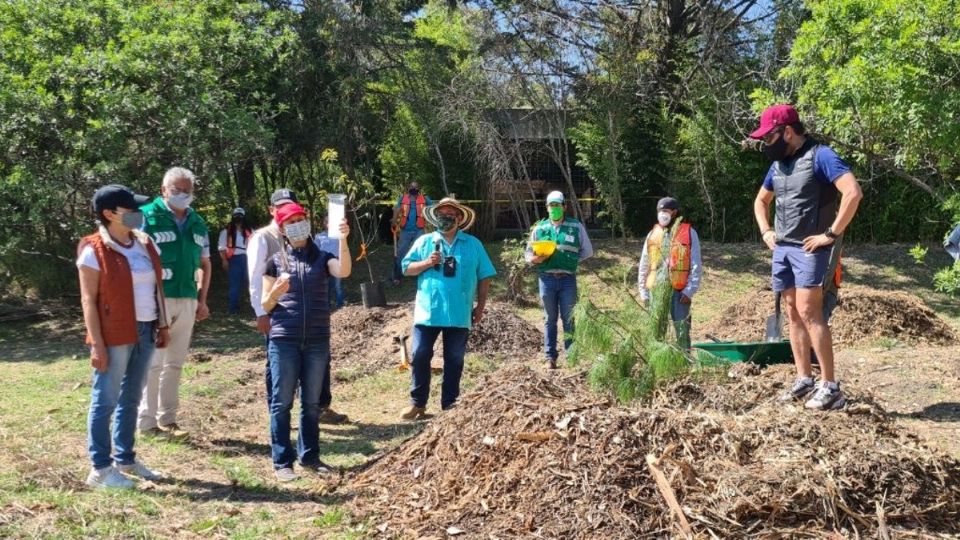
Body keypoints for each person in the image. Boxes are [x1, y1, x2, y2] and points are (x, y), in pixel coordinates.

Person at [750, 104, 863, 411]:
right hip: (783, 248)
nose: (766, 145)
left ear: (787, 131)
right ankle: (804, 380)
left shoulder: (821, 156)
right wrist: (766, 231)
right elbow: (761, 201)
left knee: (809, 311)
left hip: (811, 248)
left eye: (769, 137)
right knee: (791, 312)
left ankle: (831, 386)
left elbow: (852, 192)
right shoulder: (778, 165)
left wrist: (830, 233)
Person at [78, 184, 170, 488]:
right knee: (105, 398)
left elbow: (156, 287)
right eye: (130, 209)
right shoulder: (94, 249)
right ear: (109, 214)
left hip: (146, 328)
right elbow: (88, 300)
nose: (137, 213)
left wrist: (163, 324)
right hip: (114, 333)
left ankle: (126, 458)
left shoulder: (144, 242)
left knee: (131, 398)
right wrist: (97, 343)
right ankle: (100, 469)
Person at [260, 202, 352, 481]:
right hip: (283, 340)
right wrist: (275, 292)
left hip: (316, 340)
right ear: (283, 229)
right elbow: (266, 304)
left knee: (311, 403)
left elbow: (344, 272)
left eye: (301, 219)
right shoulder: (274, 261)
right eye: (291, 222)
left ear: (308, 223)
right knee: (282, 402)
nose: (297, 225)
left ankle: (310, 456)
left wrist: (344, 240)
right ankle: (282, 462)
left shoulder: (323, 257)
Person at [247, 189, 348, 423]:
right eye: (279, 206)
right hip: (278, 314)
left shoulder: (304, 233)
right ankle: (278, 411)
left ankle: (320, 406)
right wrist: (261, 313)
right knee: (278, 366)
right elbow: (255, 278)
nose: (286, 211)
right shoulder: (263, 237)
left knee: (319, 361)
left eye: (290, 205)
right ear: (271, 210)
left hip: (311, 315)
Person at [399, 197, 496, 419]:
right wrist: (427, 263)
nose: (446, 218)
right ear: (435, 217)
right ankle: (418, 404)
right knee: (421, 354)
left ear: (459, 218)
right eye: (442, 214)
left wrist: (480, 307)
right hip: (428, 312)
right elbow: (406, 268)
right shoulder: (424, 242)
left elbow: (485, 277)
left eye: (451, 214)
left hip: (460, 313)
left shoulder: (473, 244)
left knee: (454, 359)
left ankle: (450, 406)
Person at [137, 167, 211, 437]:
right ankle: (146, 422)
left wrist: (202, 299)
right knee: (153, 362)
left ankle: (168, 419)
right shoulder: (144, 216)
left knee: (175, 362)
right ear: (163, 190)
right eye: (176, 190)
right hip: (157, 300)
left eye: (187, 191)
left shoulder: (199, 223)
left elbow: (205, 263)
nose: (182, 195)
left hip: (188, 299)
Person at [524, 191, 594, 369]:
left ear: (564, 206)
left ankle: (572, 356)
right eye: (551, 205)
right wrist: (535, 260)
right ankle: (550, 357)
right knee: (550, 318)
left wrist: (570, 260)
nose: (554, 208)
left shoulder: (575, 226)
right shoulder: (539, 229)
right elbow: (528, 254)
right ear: (547, 208)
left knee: (569, 318)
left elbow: (588, 251)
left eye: (557, 205)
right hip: (546, 279)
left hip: (567, 280)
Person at [636, 197, 703, 351]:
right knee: (656, 331)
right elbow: (644, 264)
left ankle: (684, 361)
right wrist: (643, 291)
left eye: (665, 211)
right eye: (660, 211)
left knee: (682, 330)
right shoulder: (652, 234)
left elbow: (696, 264)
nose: (662, 214)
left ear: (674, 212)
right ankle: (657, 362)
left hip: (680, 292)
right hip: (656, 290)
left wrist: (690, 290)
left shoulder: (689, 233)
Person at [391, 182, 432, 285]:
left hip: (419, 230)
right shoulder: (402, 198)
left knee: (422, 252)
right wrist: (394, 222)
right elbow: (396, 209)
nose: (413, 188)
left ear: (419, 189)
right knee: (401, 252)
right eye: (412, 187)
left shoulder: (424, 199)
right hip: (405, 230)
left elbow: (433, 208)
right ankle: (398, 275)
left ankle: (420, 273)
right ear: (408, 188)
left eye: (416, 187)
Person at [218, 207, 252, 315]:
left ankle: (256, 308)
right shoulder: (226, 232)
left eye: (240, 215)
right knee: (234, 285)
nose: (238, 217)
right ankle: (233, 309)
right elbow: (222, 247)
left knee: (252, 283)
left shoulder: (250, 231)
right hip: (234, 259)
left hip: (249, 259)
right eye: (236, 215)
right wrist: (224, 260)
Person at [315, 227, 345, 310]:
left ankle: (340, 306)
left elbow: (343, 248)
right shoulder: (319, 236)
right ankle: (327, 307)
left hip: (336, 261)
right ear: (324, 223)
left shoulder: (338, 235)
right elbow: (315, 249)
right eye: (325, 221)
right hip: (323, 264)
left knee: (338, 285)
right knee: (325, 286)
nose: (327, 223)